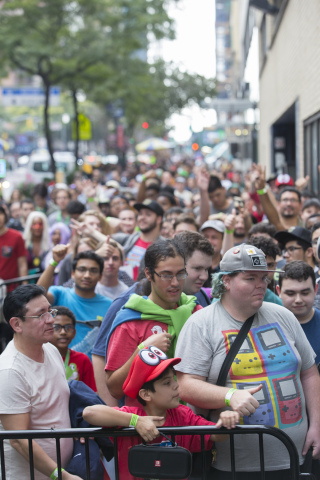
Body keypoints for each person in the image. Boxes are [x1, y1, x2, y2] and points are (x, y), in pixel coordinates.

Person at [175, 243, 320, 479]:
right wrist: (229, 395)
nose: (261, 284)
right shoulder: (201, 323)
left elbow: (309, 372)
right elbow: (186, 385)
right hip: (233, 466)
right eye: (250, 278)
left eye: (264, 277)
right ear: (226, 282)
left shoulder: (283, 315)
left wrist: (317, 425)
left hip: (295, 457)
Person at [83, 347, 240, 480]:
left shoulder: (183, 415)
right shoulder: (131, 414)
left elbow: (218, 436)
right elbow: (89, 413)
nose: (176, 386)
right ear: (145, 395)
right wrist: (135, 421)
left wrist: (226, 421)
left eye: (174, 379)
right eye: (167, 383)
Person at [91, 233, 213, 404]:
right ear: (149, 274)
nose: (175, 283)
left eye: (180, 274)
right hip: (146, 425)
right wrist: (142, 351)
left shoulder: (196, 312)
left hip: (190, 423)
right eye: (166, 275)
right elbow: (114, 388)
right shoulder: (130, 319)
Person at [0, 285, 81, 480]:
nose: (51, 320)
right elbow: (19, 440)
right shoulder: (10, 371)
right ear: (17, 324)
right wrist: (61, 476)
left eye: (50, 311)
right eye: (41, 315)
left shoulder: (50, 350)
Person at [37, 246, 112, 349]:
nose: (87, 275)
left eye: (93, 271)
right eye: (82, 270)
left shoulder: (109, 306)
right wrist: (54, 262)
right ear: (72, 274)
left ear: (100, 276)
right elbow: (38, 294)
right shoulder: (60, 293)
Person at [277, 261, 320, 366]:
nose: (298, 300)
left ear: (315, 289)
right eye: (290, 293)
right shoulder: (265, 325)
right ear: (279, 291)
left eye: (305, 293)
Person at [49, 306, 96, 390]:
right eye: (56, 328)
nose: (63, 332)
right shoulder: (40, 358)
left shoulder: (82, 360)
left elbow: (91, 394)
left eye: (68, 328)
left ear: (74, 332)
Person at [116, 199, 164, 281]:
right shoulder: (131, 238)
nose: (142, 217)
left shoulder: (164, 246)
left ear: (159, 219)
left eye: (148, 215)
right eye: (140, 214)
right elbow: (107, 238)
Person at [0, 205, 28, 290]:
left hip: (12, 288)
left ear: (5, 216)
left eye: (0, 213)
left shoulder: (16, 236)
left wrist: (24, 287)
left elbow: (22, 264)